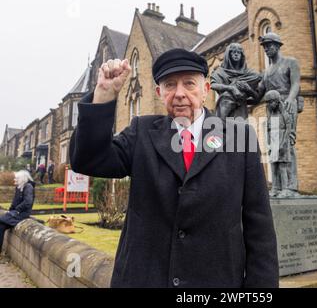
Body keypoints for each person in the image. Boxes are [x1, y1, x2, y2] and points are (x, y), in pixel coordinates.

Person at [69, 49, 279, 288]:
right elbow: (88, 159)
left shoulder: (240, 137)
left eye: (189, 83)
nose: (179, 94)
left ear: (206, 90)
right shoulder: (141, 132)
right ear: (159, 93)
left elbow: (259, 227)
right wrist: (104, 95)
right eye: (170, 85)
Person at [259, 33, 304, 197]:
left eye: (269, 45)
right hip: (272, 110)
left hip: (286, 105)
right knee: (274, 149)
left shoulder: (290, 62)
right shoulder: (266, 72)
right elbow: (258, 92)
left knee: (287, 147)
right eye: (264, 47)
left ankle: (290, 187)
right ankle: (277, 186)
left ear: (278, 46)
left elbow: (296, 83)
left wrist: (291, 100)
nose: (266, 49)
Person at [211, 43, 261, 120]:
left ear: (242, 55)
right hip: (225, 107)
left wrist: (249, 89)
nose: (236, 54)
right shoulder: (220, 72)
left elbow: (256, 98)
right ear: (229, 55)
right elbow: (213, 85)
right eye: (233, 52)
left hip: (241, 112)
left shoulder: (250, 74)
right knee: (224, 129)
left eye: (238, 52)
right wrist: (232, 88)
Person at [265, 90, 296, 198]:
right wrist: (268, 144)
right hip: (273, 144)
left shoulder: (284, 114)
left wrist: (283, 143)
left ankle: (285, 188)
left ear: (276, 101)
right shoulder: (270, 115)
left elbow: (288, 129)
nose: (268, 105)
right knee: (274, 167)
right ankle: (275, 188)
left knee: (282, 167)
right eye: (267, 103)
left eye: (270, 102)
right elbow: (268, 131)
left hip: (283, 142)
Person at [0, 170, 35, 256]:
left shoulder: (28, 187)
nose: (14, 180)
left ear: (22, 179)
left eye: (16, 178)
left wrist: (17, 210)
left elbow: (28, 202)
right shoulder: (19, 187)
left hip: (22, 214)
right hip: (15, 213)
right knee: (1, 226)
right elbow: (15, 201)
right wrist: (11, 209)